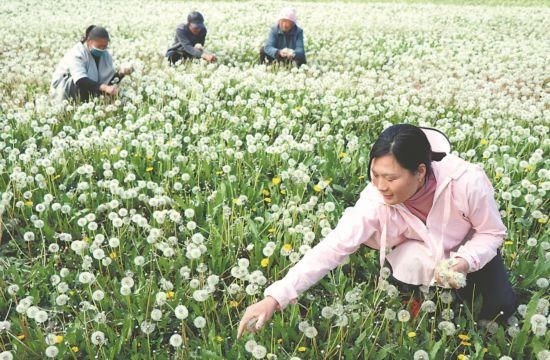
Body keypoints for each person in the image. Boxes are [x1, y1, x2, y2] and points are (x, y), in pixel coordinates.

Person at [238, 124, 517, 338]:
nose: (381, 186)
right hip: (418, 251)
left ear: (420, 172)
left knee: (500, 312)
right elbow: (334, 247)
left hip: (469, 252)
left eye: (391, 178)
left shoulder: (467, 182)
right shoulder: (375, 199)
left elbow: (491, 233)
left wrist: (465, 261)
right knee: (414, 270)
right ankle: (413, 290)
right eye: (375, 175)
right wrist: (274, 298)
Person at [50, 25, 133, 103]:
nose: (102, 49)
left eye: (105, 46)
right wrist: (104, 88)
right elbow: (80, 80)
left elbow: (108, 83)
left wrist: (121, 73)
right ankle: (78, 106)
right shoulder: (77, 52)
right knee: (82, 84)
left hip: (88, 89)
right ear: (89, 41)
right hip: (65, 90)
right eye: (99, 46)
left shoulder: (105, 54)